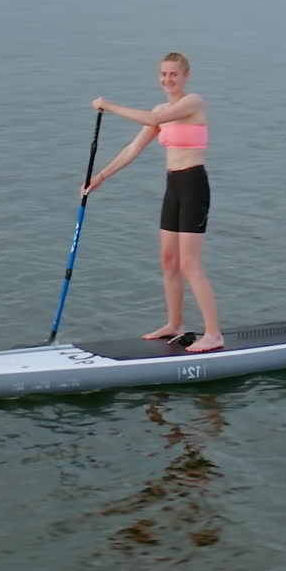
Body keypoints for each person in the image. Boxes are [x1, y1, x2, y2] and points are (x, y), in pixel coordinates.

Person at [82, 52, 223, 354]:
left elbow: (155, 119)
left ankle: (213, 334)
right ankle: (175, 324)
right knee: (168, 261)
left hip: (194, 185)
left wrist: (109, 106)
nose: (167, 80)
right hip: (173, 187)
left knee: (190, 264)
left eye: (173, 74)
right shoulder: (160, 109)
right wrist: (101, 176)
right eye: (163, 74)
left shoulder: (192, 102)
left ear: (185, 76)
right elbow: (133, 148)